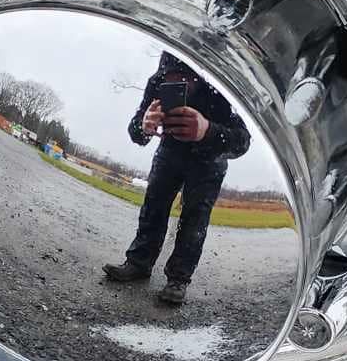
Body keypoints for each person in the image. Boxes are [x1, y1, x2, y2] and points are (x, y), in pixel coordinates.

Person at [102, 53, 251, 306]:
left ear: (198, 75)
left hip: (209, 160)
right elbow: (135, 131)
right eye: (171, 78)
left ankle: (178, 279)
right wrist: (144, 125)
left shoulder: (222, 90)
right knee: (154, 205)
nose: (179, 83)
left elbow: (242, 141)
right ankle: (138, 262)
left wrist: (208, 130)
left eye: (186, 79)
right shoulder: (156, 85)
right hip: (170, 151)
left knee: (195, 217)